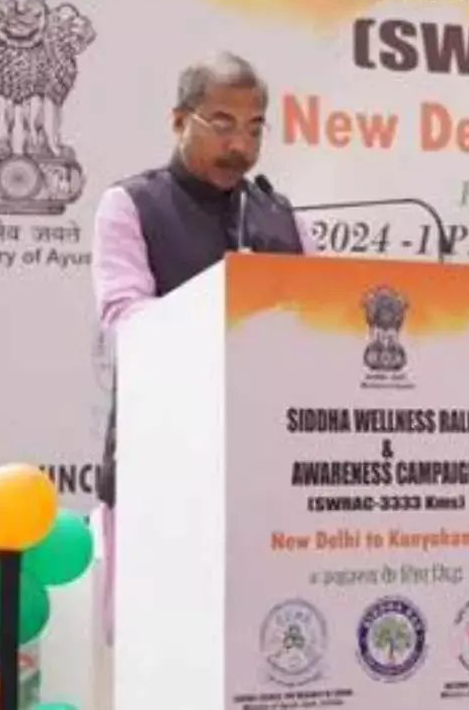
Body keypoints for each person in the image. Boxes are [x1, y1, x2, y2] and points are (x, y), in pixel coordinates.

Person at [90, 51, 314, 639]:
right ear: (178, 121)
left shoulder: (283, 218)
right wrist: (224, 314)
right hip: (162, 465)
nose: (241, 144)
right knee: (158, 642)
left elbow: (317, 327)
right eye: (222, 124)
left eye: (255, 128)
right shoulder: (131, 205)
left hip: (266, 473)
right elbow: (125, 320)